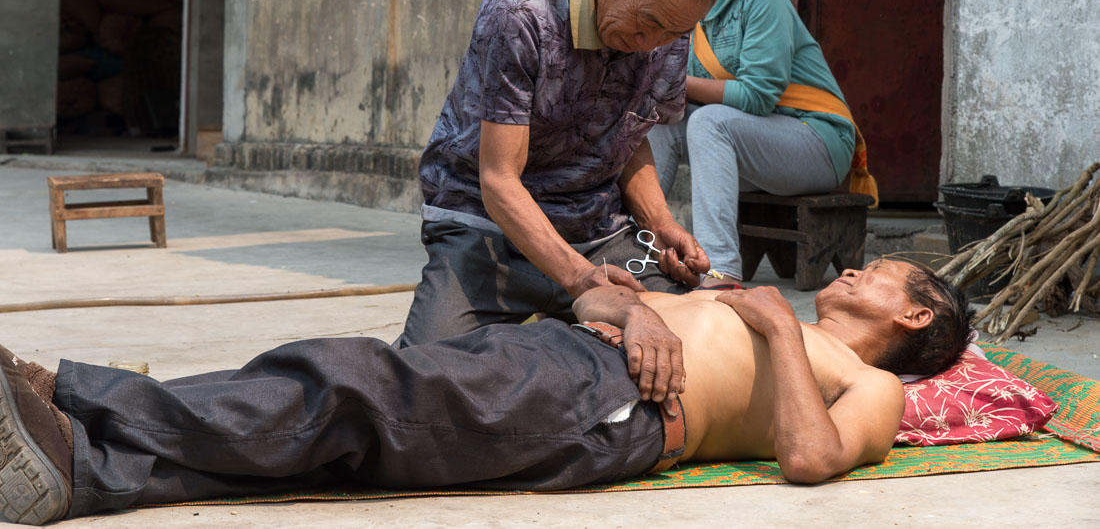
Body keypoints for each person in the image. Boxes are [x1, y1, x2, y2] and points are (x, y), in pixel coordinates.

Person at [0, 259, 972, 525]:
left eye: (878, 273)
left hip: (612, 409)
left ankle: (77, 406)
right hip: (567, 356)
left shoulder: (862, 384)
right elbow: (613, 299)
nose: (850, 273)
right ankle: (85, 465)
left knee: (353, 389)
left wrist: (766, 325)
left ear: (915, 316)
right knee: (349, 422)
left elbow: (807, 457)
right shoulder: (772, 310)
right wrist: (630, 301)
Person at [398, 0, 736, 348]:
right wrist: (580, 278)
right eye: (649, 23)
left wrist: (661, 222)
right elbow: (498, 180)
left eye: (674, 31)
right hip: (484, 225)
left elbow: (630, 135)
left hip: (597, 228)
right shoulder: (520, 14)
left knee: (698, 342)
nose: (655, 43)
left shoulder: (669, 30)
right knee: (426, 371)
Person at [648, 0, 876, 290]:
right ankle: (636, 246)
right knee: (660, 122)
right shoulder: (684, 4)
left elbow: (757, 97)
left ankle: (718, 272)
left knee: (709, 121)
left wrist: (677, 83)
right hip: (755, 145)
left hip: (816, 141)